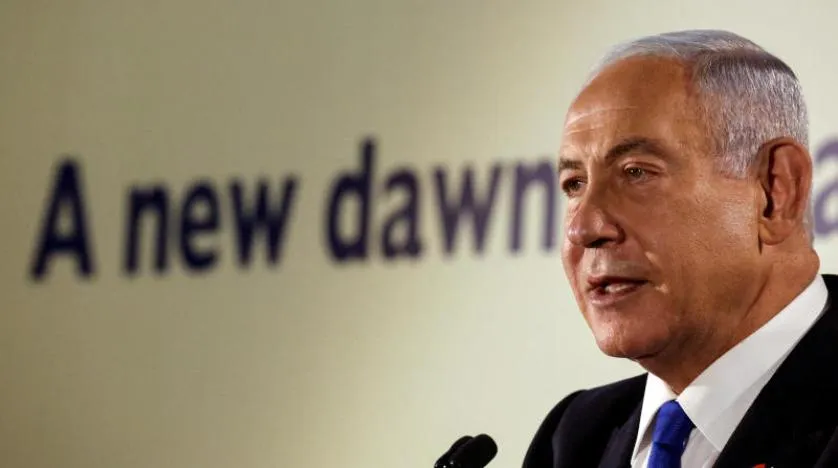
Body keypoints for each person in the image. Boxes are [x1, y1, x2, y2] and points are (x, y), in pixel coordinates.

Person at [523, 29, 838, 468]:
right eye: (574, 184)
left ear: (775, 190)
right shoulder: (575, 438)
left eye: (636, 172)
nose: (583, 228)